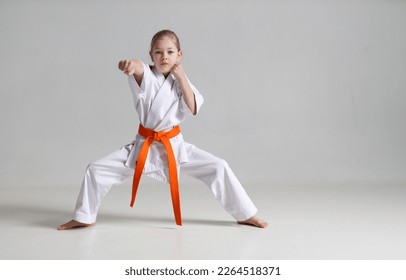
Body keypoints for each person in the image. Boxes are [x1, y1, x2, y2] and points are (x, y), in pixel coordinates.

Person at [58, 30, 268, 230]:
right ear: (151, 55)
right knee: (96, 169)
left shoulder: (181, 81)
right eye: (158, 52)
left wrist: (182, 77)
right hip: (144, 146)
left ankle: (245, 214)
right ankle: (84, 217)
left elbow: (193, 108)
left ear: (179, 55)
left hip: (174, 146)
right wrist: (130, 64)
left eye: (169, 52)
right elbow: (138, 67)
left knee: (218, 166)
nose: (164, 57)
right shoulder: (146, 75)